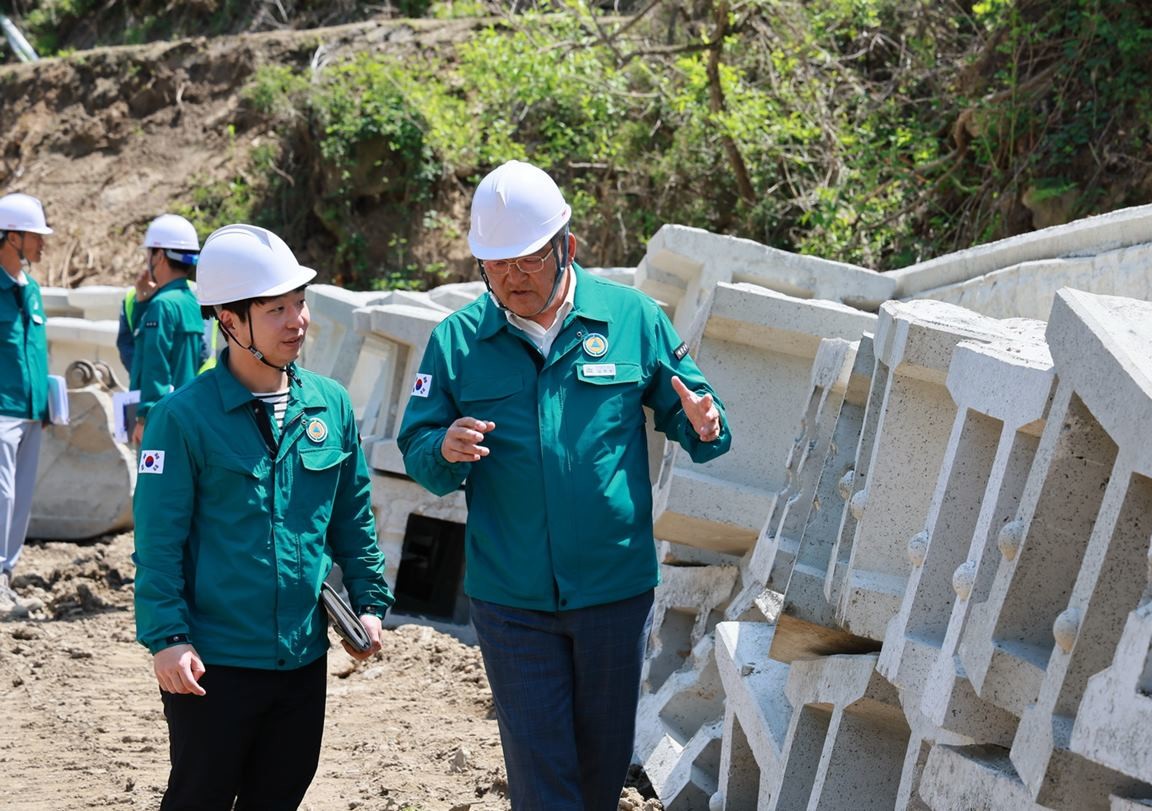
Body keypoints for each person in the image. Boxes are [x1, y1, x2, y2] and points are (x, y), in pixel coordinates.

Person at [397, 160, 732, 809]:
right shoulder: (458, 342)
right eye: (496, 264)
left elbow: (698, 414)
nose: (511, 277)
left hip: (614, 589)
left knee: (599, 771)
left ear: (565, 246)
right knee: (542, 776)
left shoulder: (632, 318)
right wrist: (442, 446)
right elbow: (417, 448)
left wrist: (704, 420)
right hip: (511, 596)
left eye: (526, 260)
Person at [132, 223, 393, 810]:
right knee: (199, 796)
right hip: (213, 663)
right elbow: (158, 542)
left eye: (299, 303)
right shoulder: (182, 419)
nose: (297, 321)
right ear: (229, 319)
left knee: (279, 796)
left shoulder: (331, 403)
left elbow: (353, 518)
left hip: (302, 658)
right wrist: (167, 638)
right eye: (276, 309)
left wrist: (370, 606)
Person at [0, 192, 52, 617]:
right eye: (35, 236)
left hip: (32, 412)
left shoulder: (30, 289)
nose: (42, 244)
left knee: (19, 499)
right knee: (1, 496)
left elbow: (34, 350)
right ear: (11, 236)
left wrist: (46, 401)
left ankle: (5, 578)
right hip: (1, 409)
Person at [124, 214, 207, 445]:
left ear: (159, 255)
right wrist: (142, 303)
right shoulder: (191, 302)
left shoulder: (162, 305)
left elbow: (155, 365)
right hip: (187, 413)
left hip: (161, 419)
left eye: (149, 253)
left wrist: (144, 418)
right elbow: (198, 354)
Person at [116, 215, 218, 380]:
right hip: (198, 393)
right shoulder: (201, 296)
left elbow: (133, 353)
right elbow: (202, 351)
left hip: (162, 399)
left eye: (149, 252)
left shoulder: (147, 301)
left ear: (160, 256)